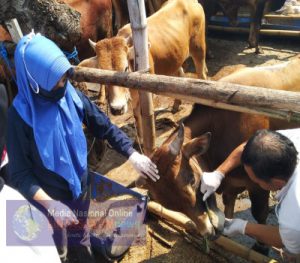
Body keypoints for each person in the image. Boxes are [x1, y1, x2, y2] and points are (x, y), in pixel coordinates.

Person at [6, 32, 159, 263]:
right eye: (56, 80)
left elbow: (103, 126)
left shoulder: (69, 94)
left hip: (81, 186)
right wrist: (51, 205)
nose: (63, 84)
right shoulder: (19, 118)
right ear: (35, 82)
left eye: (65, 77)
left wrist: (132, 153)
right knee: (61, 248)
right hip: (51, 200)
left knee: (80, 234)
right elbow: (20, 174)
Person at [200, 128, 300, 261]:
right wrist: (219, 173)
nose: (254, 182)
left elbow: (283, 237)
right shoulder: (287, 141)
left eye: (256, 181)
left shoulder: (294, 209)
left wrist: (242, 227)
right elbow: (248, 148)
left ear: (276, 182)